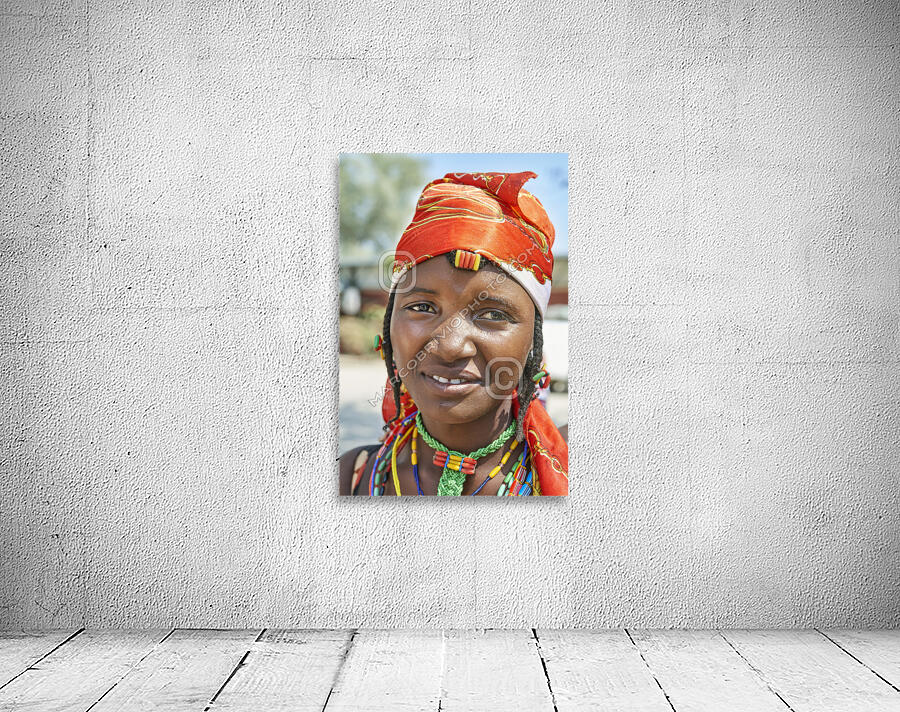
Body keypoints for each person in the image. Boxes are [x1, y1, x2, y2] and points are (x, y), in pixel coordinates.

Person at [339, 171, 568, 496]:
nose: (449, 346)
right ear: (387, 329)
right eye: (422, 307)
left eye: (493, 314)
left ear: (534, 341)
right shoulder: (351, 478)